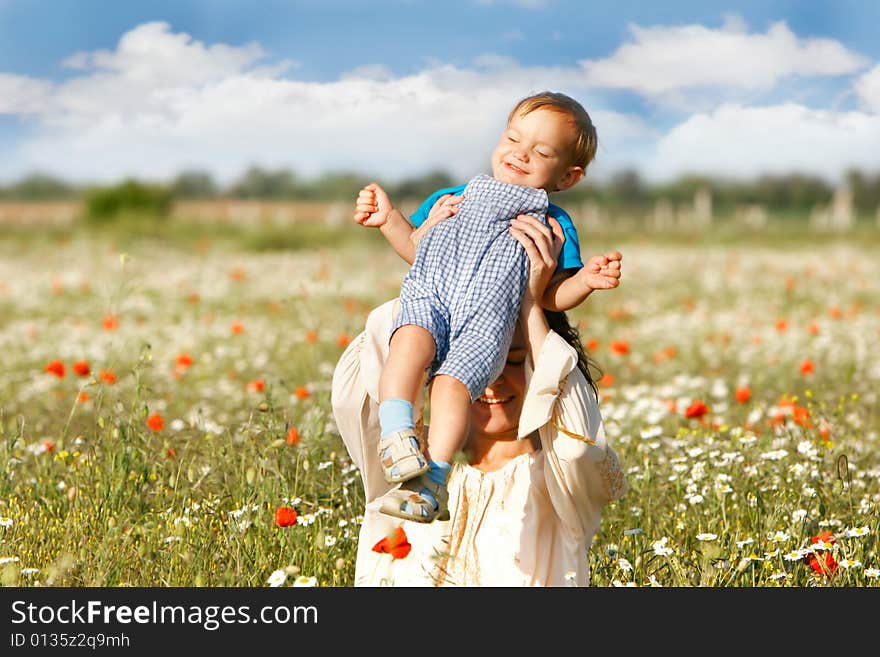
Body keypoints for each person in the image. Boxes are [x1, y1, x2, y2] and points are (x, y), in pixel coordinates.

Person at [352, 91, 622, 523]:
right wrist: (390, 220)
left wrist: (585, 281)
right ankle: (397, 434)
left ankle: (431, 479)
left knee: (450, 385)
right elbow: (418, 250)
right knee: (407, 346)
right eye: (514, 138)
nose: (521, 153)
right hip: (430, 295)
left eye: (541, 151)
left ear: (567, 177)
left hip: (486, 320)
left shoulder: (554, 224)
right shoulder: (452, 198)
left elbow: (549, 294)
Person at [331, 209, 627, 585]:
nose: (490, 380)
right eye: (468, 362)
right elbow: (370, 369)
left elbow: (577, 428)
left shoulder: (562, 477)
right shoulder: (403, 465)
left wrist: (533, 305)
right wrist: (430, 265)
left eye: (514, 360)